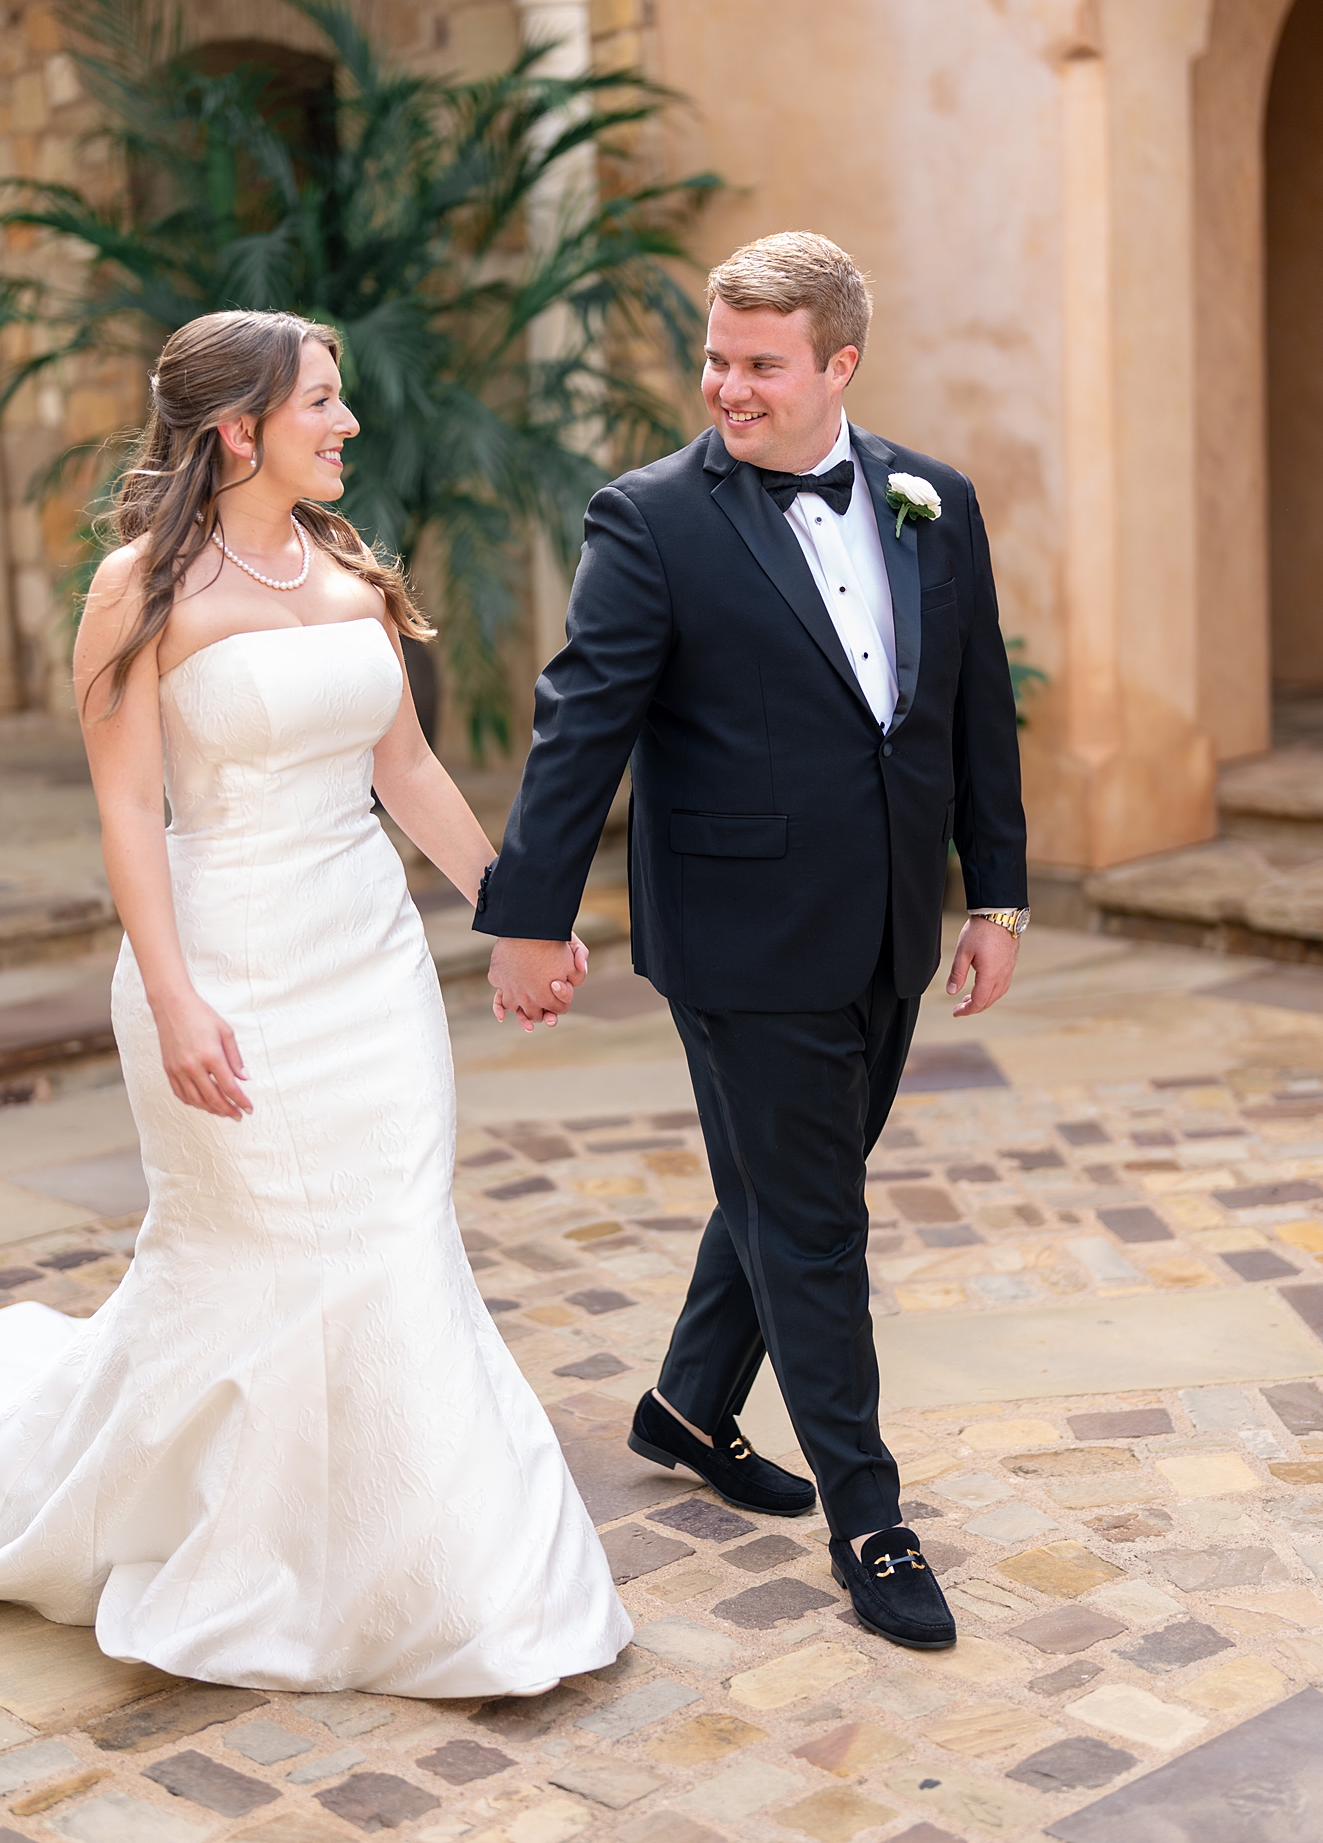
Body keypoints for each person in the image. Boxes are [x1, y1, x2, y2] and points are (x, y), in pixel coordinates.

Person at [0, 310, 630, 1697]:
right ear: (238, 428)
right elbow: (126, 809)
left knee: (394, 1242)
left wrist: (519, 912)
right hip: (225, 961)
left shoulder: (348, 564)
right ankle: (268, 1557)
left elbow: (406, 770)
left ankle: (439, 1579)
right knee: (254, 1254)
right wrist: (173, 998)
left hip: (367, 965)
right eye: (322, 401)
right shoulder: (138, 589)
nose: (348, 422)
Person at [478, 232, 1028, 1651]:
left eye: (760, 365)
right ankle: (872, 1517)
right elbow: (580, 724)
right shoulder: (650, 517)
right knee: (817, 1220)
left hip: (893, 921)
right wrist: (530, 918)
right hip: (739, 936)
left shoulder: (932, 501)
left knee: (793, 1186)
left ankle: (683, 1406)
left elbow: (973, 708)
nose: (726, 386)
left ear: (839, 364)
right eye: (715, 358)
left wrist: (1000, 893)